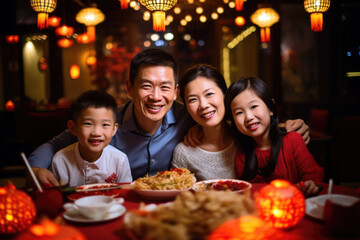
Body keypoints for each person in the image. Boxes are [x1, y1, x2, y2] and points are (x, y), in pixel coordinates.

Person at [27, 48, 309, 186]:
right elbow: (54, 145)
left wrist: (282, 127)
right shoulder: (107, 124)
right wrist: (38, 168)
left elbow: (230, 117)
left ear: (175, 92)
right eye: (146, 85)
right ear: (129, 88)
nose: (155, 96)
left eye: (164, 87)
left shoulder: (190, 115)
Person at [224, 76, 324, 197]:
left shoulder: (292, 140)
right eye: (239, 112)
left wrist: (311, 184)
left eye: (254, 106)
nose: (249, 117)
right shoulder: (242, 153)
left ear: (270, 108)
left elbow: (314, 177)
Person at [51, 90, 132, 186]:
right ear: (73, 128)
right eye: (88, 124)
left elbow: (125, 193)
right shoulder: (60, 160)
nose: (96, 133)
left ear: (114, 129)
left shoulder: (120, 160)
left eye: (105, 124)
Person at [171, 64, 237, 180]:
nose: (203, 105)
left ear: (225, 94)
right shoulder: (184, 153)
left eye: (209, 94)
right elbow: (178, 193)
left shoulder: (244, 137)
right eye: (193, 99)